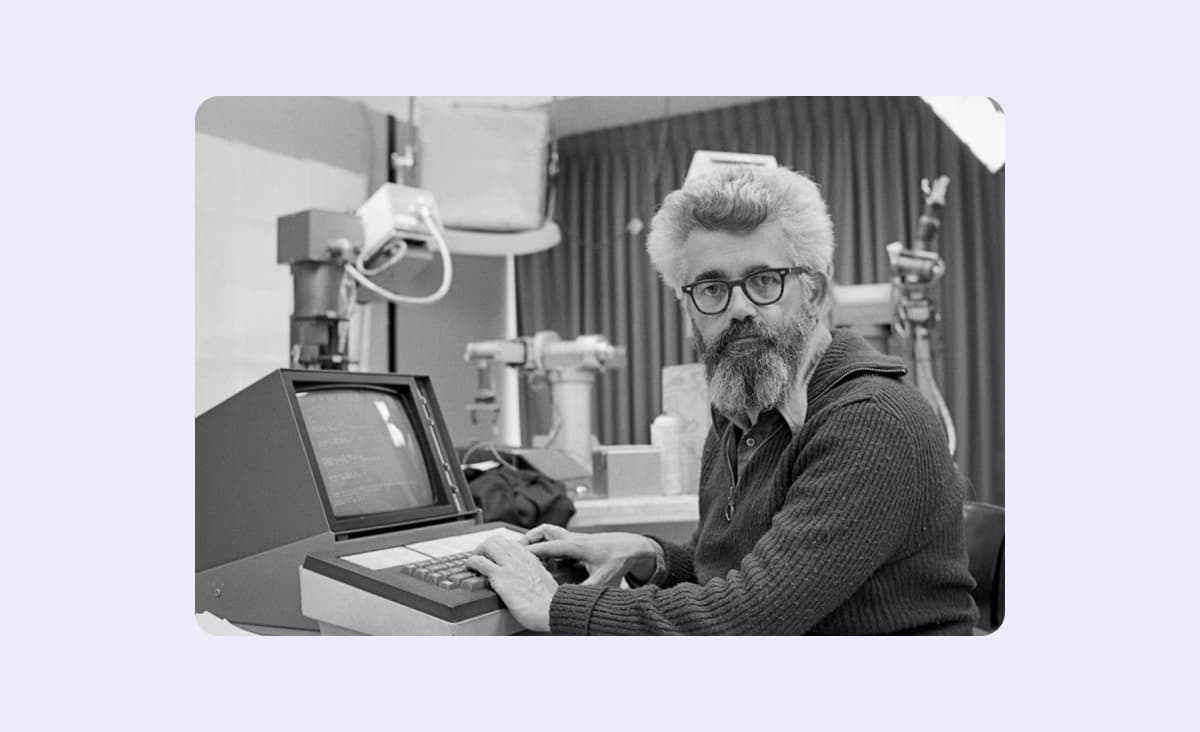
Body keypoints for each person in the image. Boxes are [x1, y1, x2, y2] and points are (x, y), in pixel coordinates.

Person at [465, 165, 980, 634]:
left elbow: (746, 618)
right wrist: (651, 556)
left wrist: (555, 605)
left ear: (815, 292)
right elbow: (734, 567)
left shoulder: (871, 422)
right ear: (688, 306)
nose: (738, 308)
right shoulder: (740, 416)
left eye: (764, 281)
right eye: (711, 288)